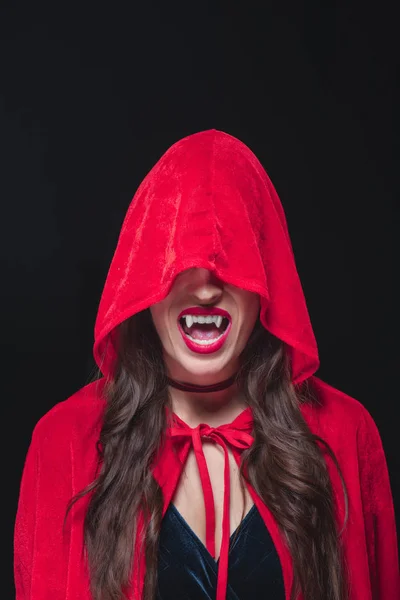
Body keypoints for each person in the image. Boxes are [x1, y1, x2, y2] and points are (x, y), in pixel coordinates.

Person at [14, 129, 399, 600]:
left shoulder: (346, 432)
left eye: (232, 257)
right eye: (178, 259)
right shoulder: (64, 441)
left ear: (266, 276)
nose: (204, 288)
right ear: (145, 281)